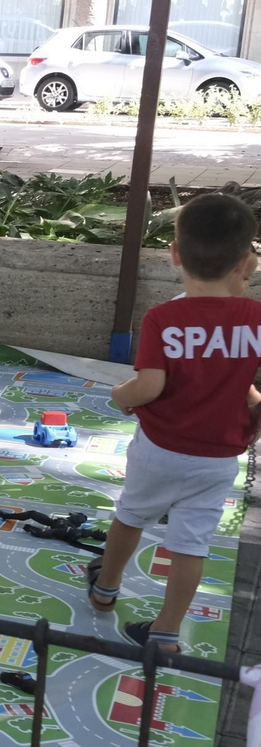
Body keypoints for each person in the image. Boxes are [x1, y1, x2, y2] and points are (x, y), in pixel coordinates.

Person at [88, 194, 261, 654]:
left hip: (160, 449)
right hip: (218, 458)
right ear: (245, 262)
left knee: (131, 515)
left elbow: (149, 386)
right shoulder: (256, 318)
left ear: (175, 254)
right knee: (191, 544)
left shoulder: (164, 318)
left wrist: (120, 396)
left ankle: (105, 588)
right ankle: (166, 631)